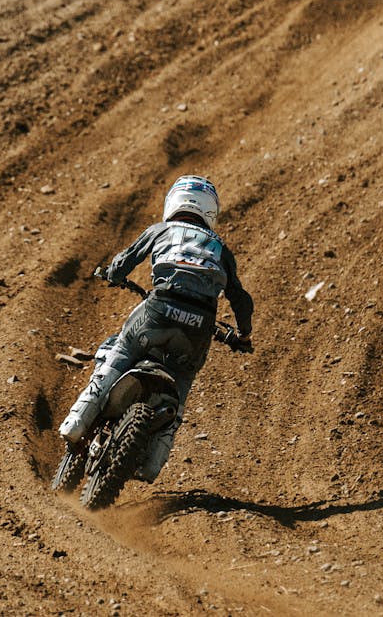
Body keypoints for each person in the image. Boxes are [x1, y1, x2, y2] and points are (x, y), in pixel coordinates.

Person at [58, 175, 254, 483]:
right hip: (199, 327)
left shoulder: (161, 230)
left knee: (120, 352)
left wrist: (113, 274)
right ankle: (153, 460)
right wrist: (242, 335)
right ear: (211, 212)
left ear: (173, 202)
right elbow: (241, 300)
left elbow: (125, 261)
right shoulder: (221, 249)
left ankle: (78, 421)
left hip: (159, 309)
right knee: (182, 384)